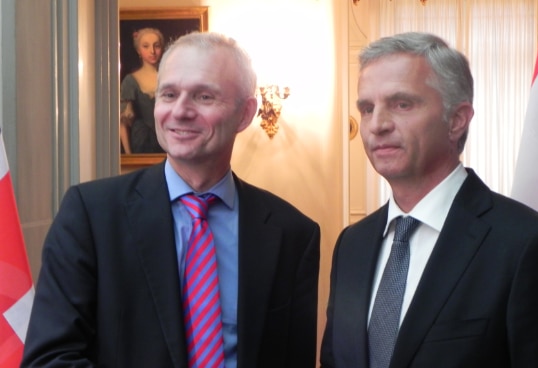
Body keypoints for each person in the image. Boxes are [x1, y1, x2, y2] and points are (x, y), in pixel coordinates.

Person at [22, 32, 320, 368]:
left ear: (245, 113)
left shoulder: (292, 233)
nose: (180, 111)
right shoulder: (91, 215)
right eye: (168, 94)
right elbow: (49, 359)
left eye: (204, 96)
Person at [320, 32, 538, 368]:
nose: (377, 125)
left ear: (457, 120)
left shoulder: (529, 246)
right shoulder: (351, 244)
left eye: (402, 104)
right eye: (367, 108)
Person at [120, 27, 165, 154]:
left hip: (166, 141)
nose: (152, 51)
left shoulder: (169, 77)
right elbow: (122, 123)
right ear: (138, 50)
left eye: (156, 46)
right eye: (146, 46)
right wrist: (129, 155)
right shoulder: (130, 80)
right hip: (141, 143)